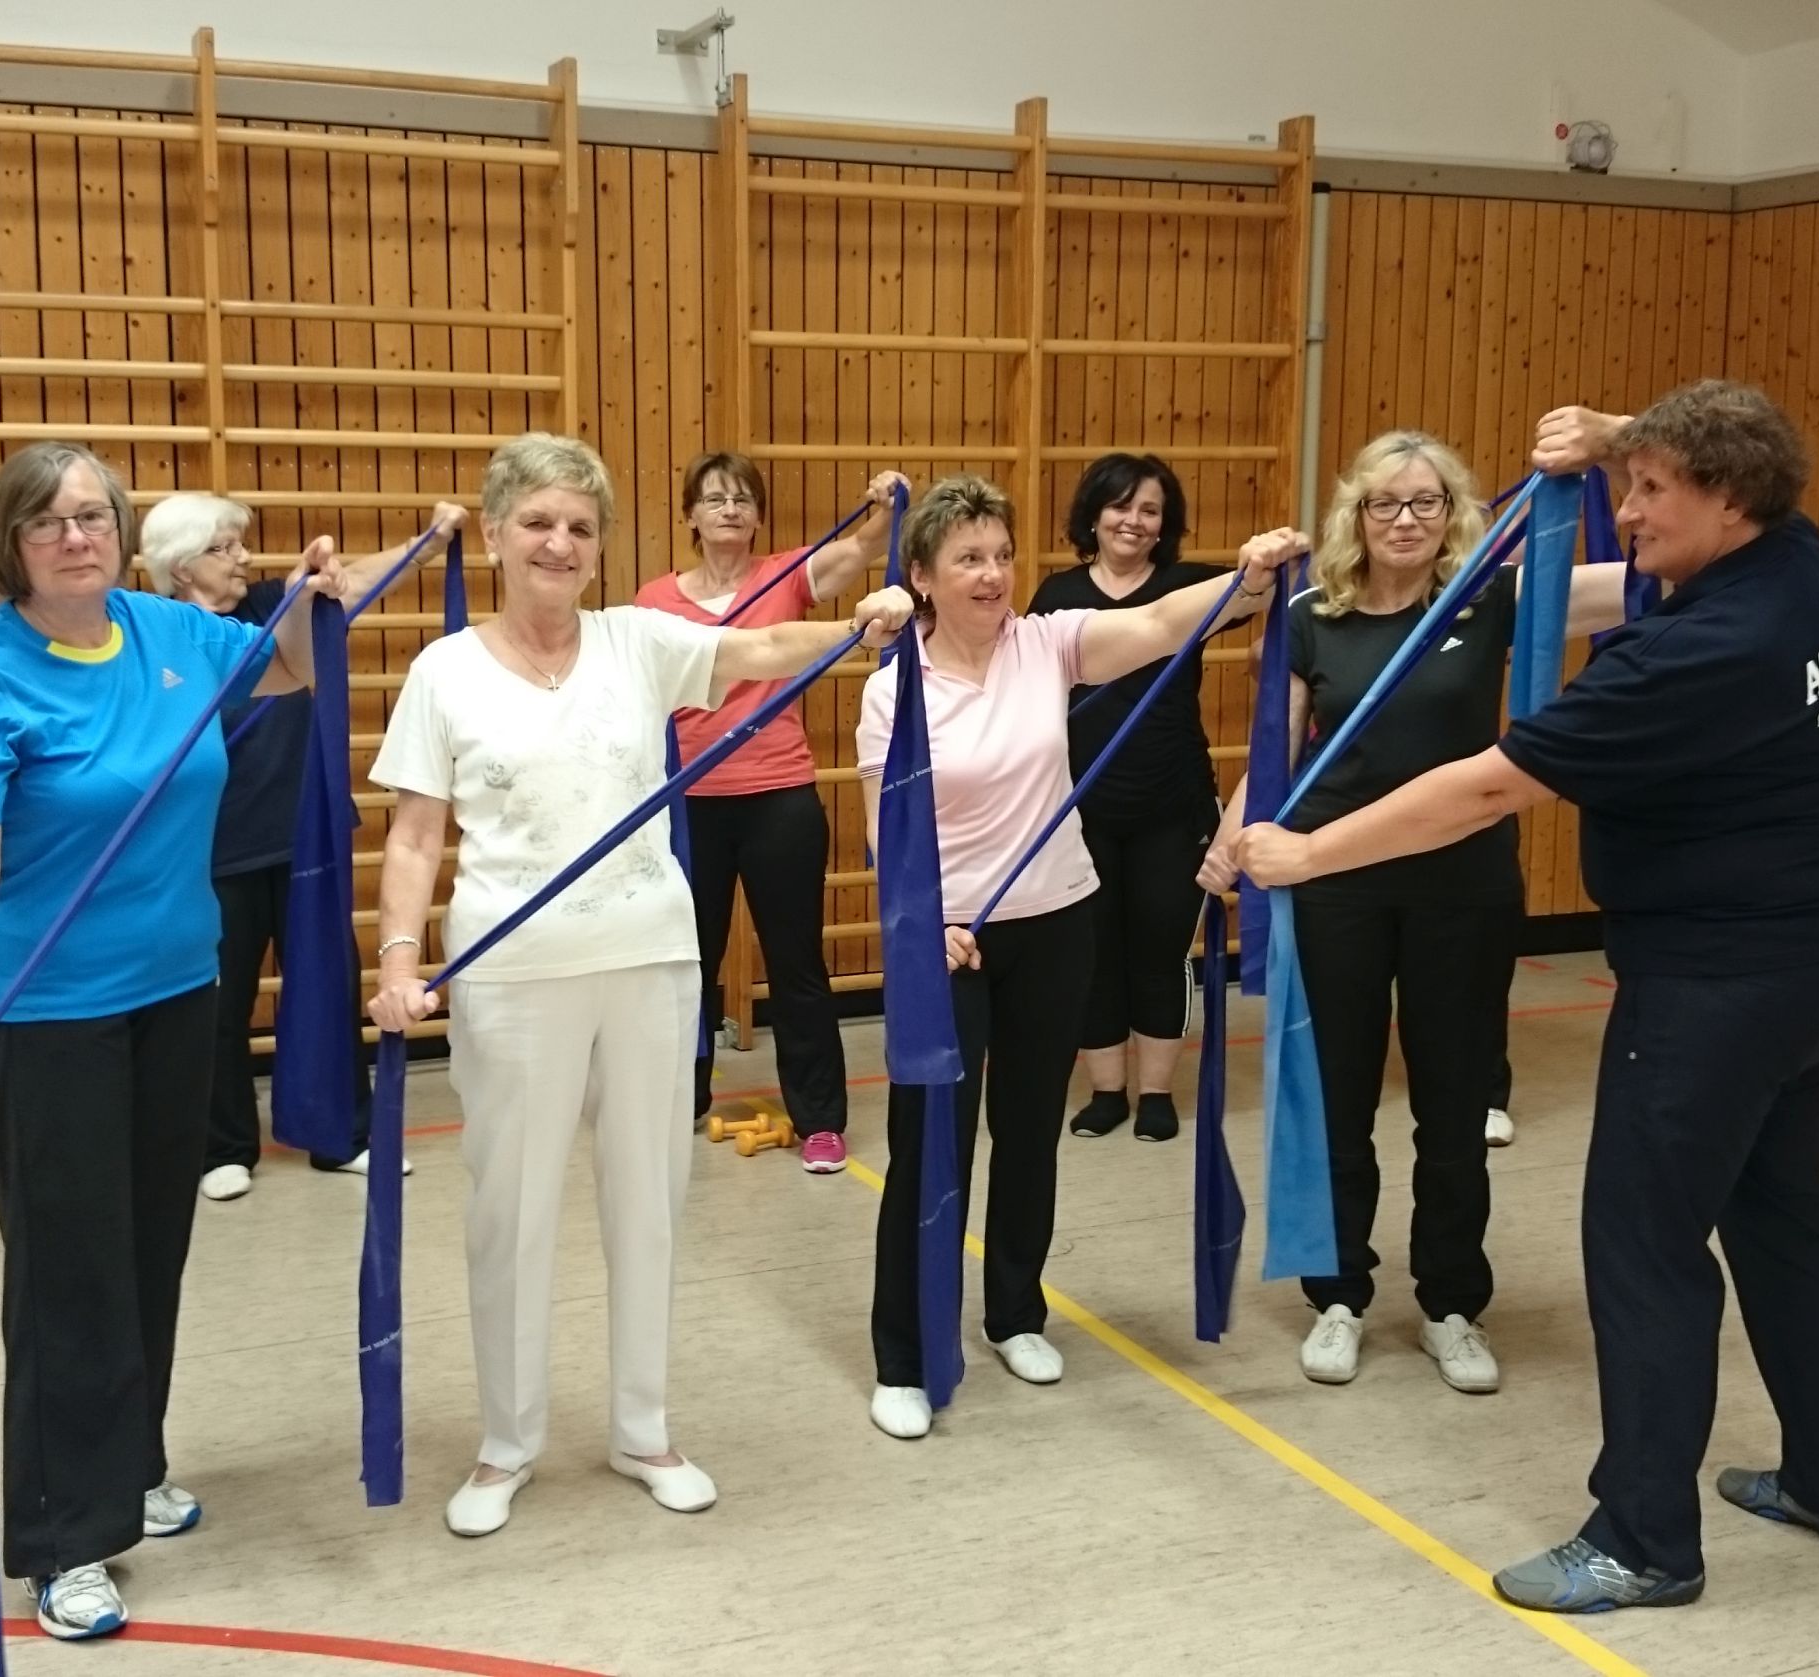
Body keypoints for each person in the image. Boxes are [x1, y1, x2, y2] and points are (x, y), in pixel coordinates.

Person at [1235, 382, 1819, 1613]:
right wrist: (1613, 440)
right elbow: (1713, 453)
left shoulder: (1694, 653)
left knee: (1642, 1249)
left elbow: (1487, 788)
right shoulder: (1799, 562)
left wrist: (1308, 852)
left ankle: (1641, 1542)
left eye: (1648, 491)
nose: (1624, 511)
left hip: (1714, 986)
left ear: (1728, 502)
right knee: (1779, 1216)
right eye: (1626, 483)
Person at [366, 433, 914, 1539]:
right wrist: (396, 959)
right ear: (497, 533)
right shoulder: (444, 671)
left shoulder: (638, 640)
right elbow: (416, 836)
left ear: (600, 544)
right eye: (537, 523)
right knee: (509, 1212)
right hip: (513, 976)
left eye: (579, 526)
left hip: (651, 961)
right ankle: (506, 1442)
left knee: (648, 1203)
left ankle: (642, 1428)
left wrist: (861, 628)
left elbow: (762, 647)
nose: (558, 543)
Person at [0, 441, 352, 1641]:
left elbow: (290, 670)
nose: (75, 537)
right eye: (47, 522)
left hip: (177, 990)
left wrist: (317, 599)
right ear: (9, 543)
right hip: (48, 1014)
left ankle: (127, 1463)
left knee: (150, 1247)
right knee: (70, 1273)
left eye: (93, 516)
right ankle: (62, 1535)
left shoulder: (170, 632)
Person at [855, 476, 1285, 1442]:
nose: (991, 574)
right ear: (921, 576)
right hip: (948, 942)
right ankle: (903, 1354)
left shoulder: (1047, 643)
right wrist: (923, 924)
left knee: (1027, 1131)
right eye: (968, 558)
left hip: (1055, 921)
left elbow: (1162, 622)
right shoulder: (893, 688)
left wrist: (1247, 580)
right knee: (930, 1143)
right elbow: (889, 829)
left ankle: (1015, 1313)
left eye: (1001, 555)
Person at [1198, 432, 1627, 1397]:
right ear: (1354, 515)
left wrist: (1608, 454)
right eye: (1384, 503)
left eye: (1425, 502)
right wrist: (1229, 841)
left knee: (1454, 1105)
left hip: (1461, 887)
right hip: (1335, 882)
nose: (1404, 520)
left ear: (1454, 512)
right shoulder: (1311, 615)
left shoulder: (1493, 597)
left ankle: (1450, 1304)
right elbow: (1274, 753)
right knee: (1338, 1100)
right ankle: (1338, 1295)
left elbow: (1645, 581)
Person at [142, 491, 463, 1201]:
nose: (242, 557)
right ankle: (221, 1146)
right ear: (181, 566)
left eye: (240, 543)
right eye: (224, 547)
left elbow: (344, 581)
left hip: (303, 836)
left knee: (327, 986)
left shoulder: (269, 608)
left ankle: (341, 1134)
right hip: (208, 850)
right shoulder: (159, 632)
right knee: (217, 1004)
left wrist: (425, 546)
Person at [633, 456, 909, 1174]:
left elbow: (863, 546)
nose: (728, 508)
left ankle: (820, 1120)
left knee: (797, 966)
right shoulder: (653, 599)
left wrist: (886, 499)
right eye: (713, 498)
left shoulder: (785, 576)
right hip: (687, 807)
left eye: (742, 499)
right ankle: (679, 1102)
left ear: (757, 515)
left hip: (779, 799)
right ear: (690, 517)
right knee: (684, 966)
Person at [1027, 452, 1247, 1144]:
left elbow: (1268, 590)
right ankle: (1105, 1091)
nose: (1134, 520)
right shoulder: (1057, 594)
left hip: (1172, 806)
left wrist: (1270, 558)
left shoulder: (1190, 587)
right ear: (1093, 515)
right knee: (1091, 952)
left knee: (1160, 950)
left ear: (1165, 523)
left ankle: (1155, 1092)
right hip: (1081, 809)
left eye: (1149, 509)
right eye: (1120, 506)